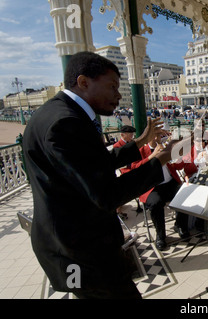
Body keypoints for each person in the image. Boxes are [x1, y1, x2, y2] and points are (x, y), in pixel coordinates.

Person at [22, 51, 190, 299]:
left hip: (68, 247)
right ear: (83, 82)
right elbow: (106, 195)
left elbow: (91, 164)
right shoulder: (66, 124)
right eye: (112, 86)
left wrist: (140, 142)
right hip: (80, 252)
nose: (119, 94)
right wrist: (156, 161)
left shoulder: (56, 113)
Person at [133, 132, 197, 250]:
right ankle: (160, 235)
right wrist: (153, 156)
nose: (159, 139)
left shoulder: (166, 148)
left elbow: (178, 167)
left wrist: (178, 157)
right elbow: (135, 168)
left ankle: (180, 225)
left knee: (185, 194)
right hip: (151, 187)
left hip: (169, 183)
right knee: (156, 203)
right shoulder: (141, 151)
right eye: (156, 136)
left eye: (160, 137)